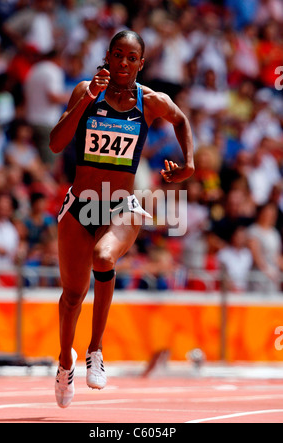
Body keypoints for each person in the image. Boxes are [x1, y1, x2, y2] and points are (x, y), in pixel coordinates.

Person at [49, 30, 194, 408]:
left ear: (141, 64)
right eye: (118, 56)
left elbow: (180, 119)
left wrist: (188, 163)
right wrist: (88, 101)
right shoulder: (85, 90)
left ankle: (96, 348)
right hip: (80, 204)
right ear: (108, 58)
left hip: (120, 205)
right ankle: (66, 362)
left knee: (104, 258)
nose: (124, 64)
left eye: (132, 58)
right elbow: (55, 142)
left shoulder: (150, 101)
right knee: (72, 297)